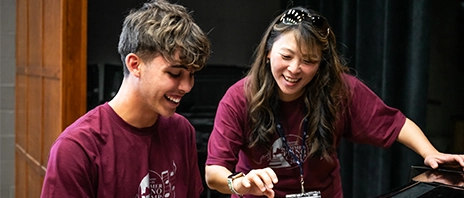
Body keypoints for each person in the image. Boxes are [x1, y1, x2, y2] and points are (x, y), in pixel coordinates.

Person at [204, 6, 464, 198]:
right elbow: (213, 172)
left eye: (309, 61)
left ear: (321, 64)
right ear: (269, 52)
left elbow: (396, 124)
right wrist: (238, 183)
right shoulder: (239, 97)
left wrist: (431, 153)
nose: (295, 69)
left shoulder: (338, 90)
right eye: (287, 56)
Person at [40, 0, 210, 197]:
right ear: (135, 64)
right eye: (174, 74)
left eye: (192, 75)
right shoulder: (77, 149)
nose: (187, 87)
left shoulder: (181, 131)